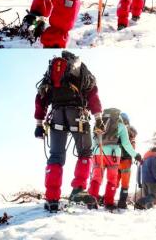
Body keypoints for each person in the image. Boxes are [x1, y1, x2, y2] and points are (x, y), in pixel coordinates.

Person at [34, 50, 102, 212]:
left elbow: (41, 98)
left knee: (56, 156)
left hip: (56, 115)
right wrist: (98, 118)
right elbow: (93, 96)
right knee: (85, 152)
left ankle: (52, 198)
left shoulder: (52, 72)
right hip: (78, 115)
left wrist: (39, 124)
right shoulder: (82, 71)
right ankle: (78, 190)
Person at [87, 108, 142, 210]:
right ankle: (109, 203)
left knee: (96, 178)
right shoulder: (121, 126)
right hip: (113, 155)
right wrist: (136, 155)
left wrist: (92, 152)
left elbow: (94, 139)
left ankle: (91, 202)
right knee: (112, 179)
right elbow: (126, 144)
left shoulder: (99, 122)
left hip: (98, 152)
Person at [116, 112, 137, 208]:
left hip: (115, 160)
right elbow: (132, 146)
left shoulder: (115, 129)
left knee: (113, 182)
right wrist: (135, 156)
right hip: (126, 161)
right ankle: (122, 202)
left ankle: (107, 198)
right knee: (125, 184)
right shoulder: (130, 131)